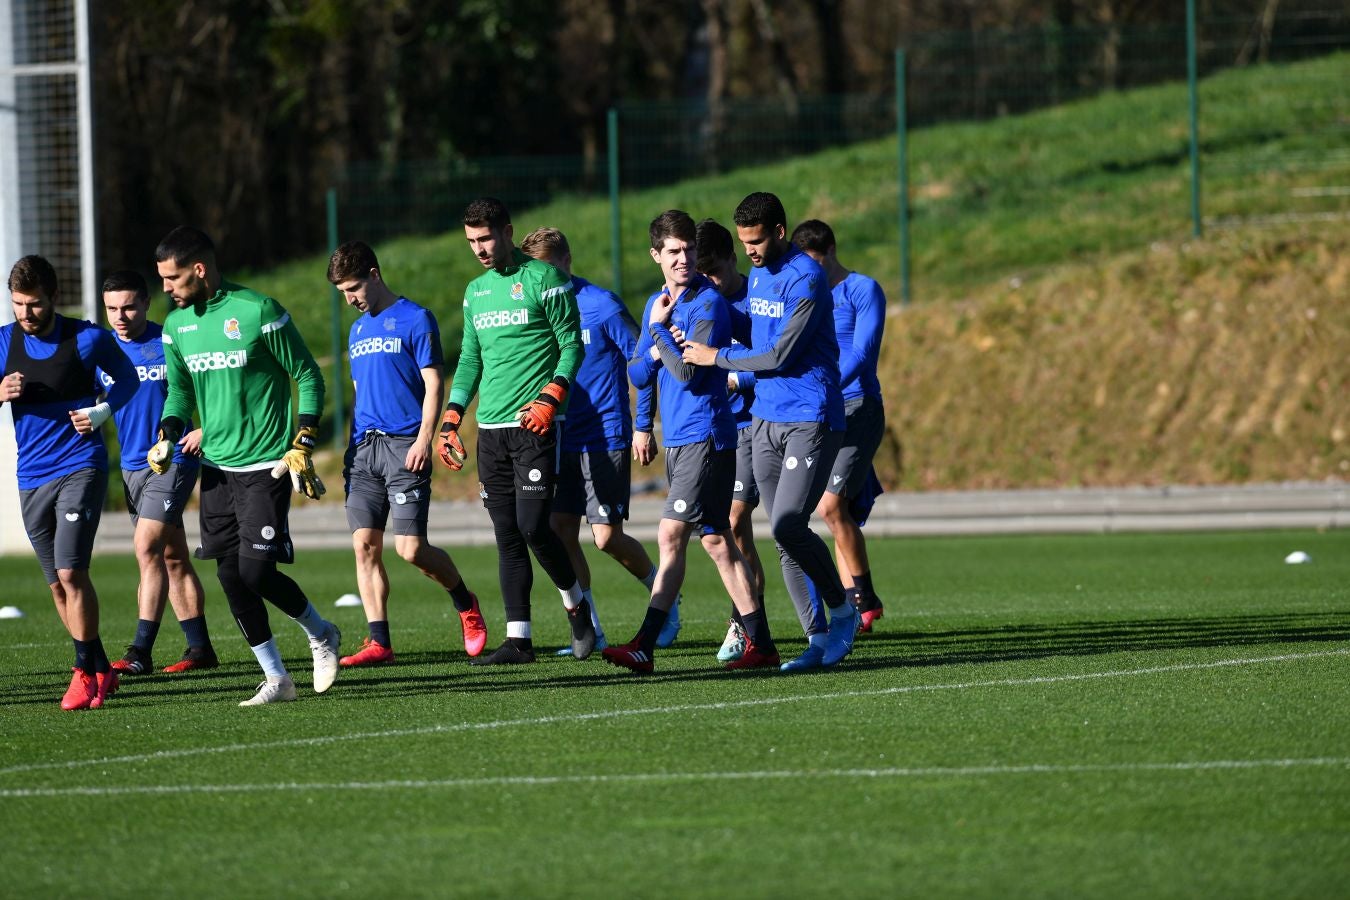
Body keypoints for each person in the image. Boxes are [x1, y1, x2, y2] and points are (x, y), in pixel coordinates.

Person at [153, 226, 342, 706]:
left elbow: (307, 375)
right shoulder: (177, 327)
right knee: (230, 577)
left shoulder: (259, 310)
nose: (166, 289)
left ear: (199, 269)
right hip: (215, 468)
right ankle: (277, 678)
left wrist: (303, 438)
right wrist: (168, 433)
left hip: (266, 464)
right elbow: (179, 392)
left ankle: (321, 634)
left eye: (173, 278)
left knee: (257, 572)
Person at [682, 192, 858, 672]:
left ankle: (844, 612)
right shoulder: (759, 273)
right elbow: (753, 326)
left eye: (757, 241)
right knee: (782, 538)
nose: (751, 252)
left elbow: (779, 355)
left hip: (810, 417)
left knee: (787, 524)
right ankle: (817, 638)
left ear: (780, 231)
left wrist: (713, 356)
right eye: (744, 243)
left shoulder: (807, 278)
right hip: (765, 419)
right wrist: (710, 313)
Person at [603, 210, 779, 673]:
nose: (685, 259)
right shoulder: (656, 304)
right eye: (675, 251)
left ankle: (644, 643)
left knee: (670, 534)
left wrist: (660, 334)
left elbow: (688, 371)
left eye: (690, 250)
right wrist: (659, 336)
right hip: (682, 438)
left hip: (706, 435)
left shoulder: (707, 305)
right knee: (718, 541)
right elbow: (638, 372)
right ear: (656, 255)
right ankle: (761, 644)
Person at [437, 198, 595, 664]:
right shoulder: (475, 292)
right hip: (491, 431)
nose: (480, 249)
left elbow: (571, 346)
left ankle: (577, 606)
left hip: (535, 424)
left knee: (533, 526)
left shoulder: (546, 279)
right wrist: (452, 417)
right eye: (471, 242)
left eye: (485, 239)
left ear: (507, 232)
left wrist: (551, 396)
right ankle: (519, 640)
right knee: (506, 532)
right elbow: (469, 361)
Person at [327, 241, 487, 666]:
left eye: (355, 288)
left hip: (404, 445)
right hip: (364, 451)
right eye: (343, 292)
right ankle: (380, 642)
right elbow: (361, 394)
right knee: (365, 545)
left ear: (375, 274)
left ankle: (464, 601)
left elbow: (434, 384)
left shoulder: (416, 319)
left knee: (411, 550)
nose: (350, 299)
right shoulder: (357, 329)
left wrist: (424, 438)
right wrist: (350, 449)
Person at [518, 227, 674, 655]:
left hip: (604, 435)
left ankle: (666, 597)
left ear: (566, 262)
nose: (539, 279)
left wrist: (643, 425)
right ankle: (590, 630)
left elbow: (642, 363)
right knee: (559, 531)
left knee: (605, 537)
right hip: (558, 438)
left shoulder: (601, 306)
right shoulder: (535, 310)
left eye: (545, 269)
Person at [2, 255, 139, 709]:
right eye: (18, 304)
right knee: (56, 585)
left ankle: (83, 672)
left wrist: (101, 411)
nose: (26, 314)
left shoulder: (86, 338)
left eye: (35, 304)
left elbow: (129, 379)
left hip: (80, 465)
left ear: (53, 298)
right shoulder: (5, 342)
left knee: (70, 570)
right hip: (30, 476)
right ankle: (100, 667)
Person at [99, 271, 218, 675]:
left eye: (129, 306)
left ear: (147, 303)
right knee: (172, 557)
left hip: (176, 460)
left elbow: (209, 384)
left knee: (146, 547)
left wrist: (204, 428)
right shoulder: (102, 350)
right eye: (112, 308)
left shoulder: (169, 339)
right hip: (133, 466)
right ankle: (200, 649)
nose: (121, 315)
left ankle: (139, 653)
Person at [791, 220, 888, 633]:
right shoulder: (806, 294)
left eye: (814, 262)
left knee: (830, 506)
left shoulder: (862, 289)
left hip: (859, 406)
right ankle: (856, 605)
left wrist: (826, 384)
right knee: (833, 511)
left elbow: (863, 353)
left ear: (830, 250)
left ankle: (865, 596)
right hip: (820, 410)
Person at [694, 218, 766, 662]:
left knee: (734, 520)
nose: (710, 284)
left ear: (732, 259)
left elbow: (778, 352)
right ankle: (755, 617)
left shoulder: (758, 296)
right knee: (724, 530)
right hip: (711, 429)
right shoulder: (696, 300)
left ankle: (742, 626)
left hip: (754, 424)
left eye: (716, 273)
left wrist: (737, 376)